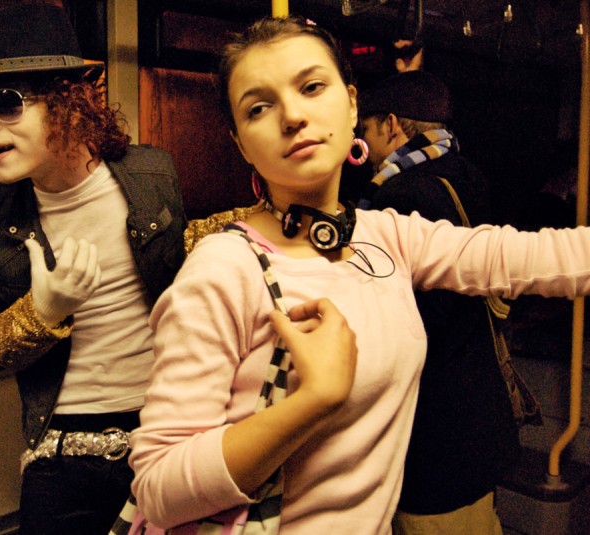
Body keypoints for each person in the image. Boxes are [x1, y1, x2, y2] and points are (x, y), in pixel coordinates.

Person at [127, 15, 590, 534]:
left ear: (351, 105)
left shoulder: (386, 235)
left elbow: (539, 258)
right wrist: (312, 401)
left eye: (311, 87)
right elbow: (158, 489)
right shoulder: (224, 268)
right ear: (241, 144)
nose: (292, 116)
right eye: (259, 107)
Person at [0, 5, 186, 534]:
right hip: (61, 455)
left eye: (5, 102)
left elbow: (187, 276)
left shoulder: (153, 174)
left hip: (171, 432)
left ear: (68, 104)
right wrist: (42, 313)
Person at [358, 70, 519, 534]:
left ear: (391, 125)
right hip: (476, 411)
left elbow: (413, 322)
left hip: (435, 429)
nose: (364, 145)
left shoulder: (402, 196)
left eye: (366, 129)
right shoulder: (465, 175)